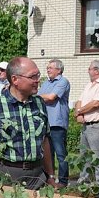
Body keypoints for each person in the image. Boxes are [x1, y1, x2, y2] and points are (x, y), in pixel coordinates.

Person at [0, 57, 56, 189]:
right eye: (32, 76)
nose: (37, 80)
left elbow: (45, 140)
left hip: (37, 178)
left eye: (38, 75)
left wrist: (51, 176)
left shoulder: (39, 103)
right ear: (15, 79)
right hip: (5, 178)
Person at [75, 60, 99, 184]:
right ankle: (84, 183)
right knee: (84, 156)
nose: (88, 70)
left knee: (97, 156)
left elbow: (98, 103)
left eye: (90, 68)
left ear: (97, 70)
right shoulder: (89, 84)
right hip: (87, 125)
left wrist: (80, 111)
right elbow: (79, 101)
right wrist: (79, 113)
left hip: (98, 125)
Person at [38, 58, 71, 186]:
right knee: (47, 153)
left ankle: (63, 181)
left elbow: (51, 97)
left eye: (50, 68)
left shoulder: (63, 81)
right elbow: (40, 97)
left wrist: (41, 96)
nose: (48, 70)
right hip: (46, 123)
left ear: (59, 70)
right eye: (48, 68)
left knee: (61, 154)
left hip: (57, 122)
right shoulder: (46, 83)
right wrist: (42, 97)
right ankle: (49, 179)